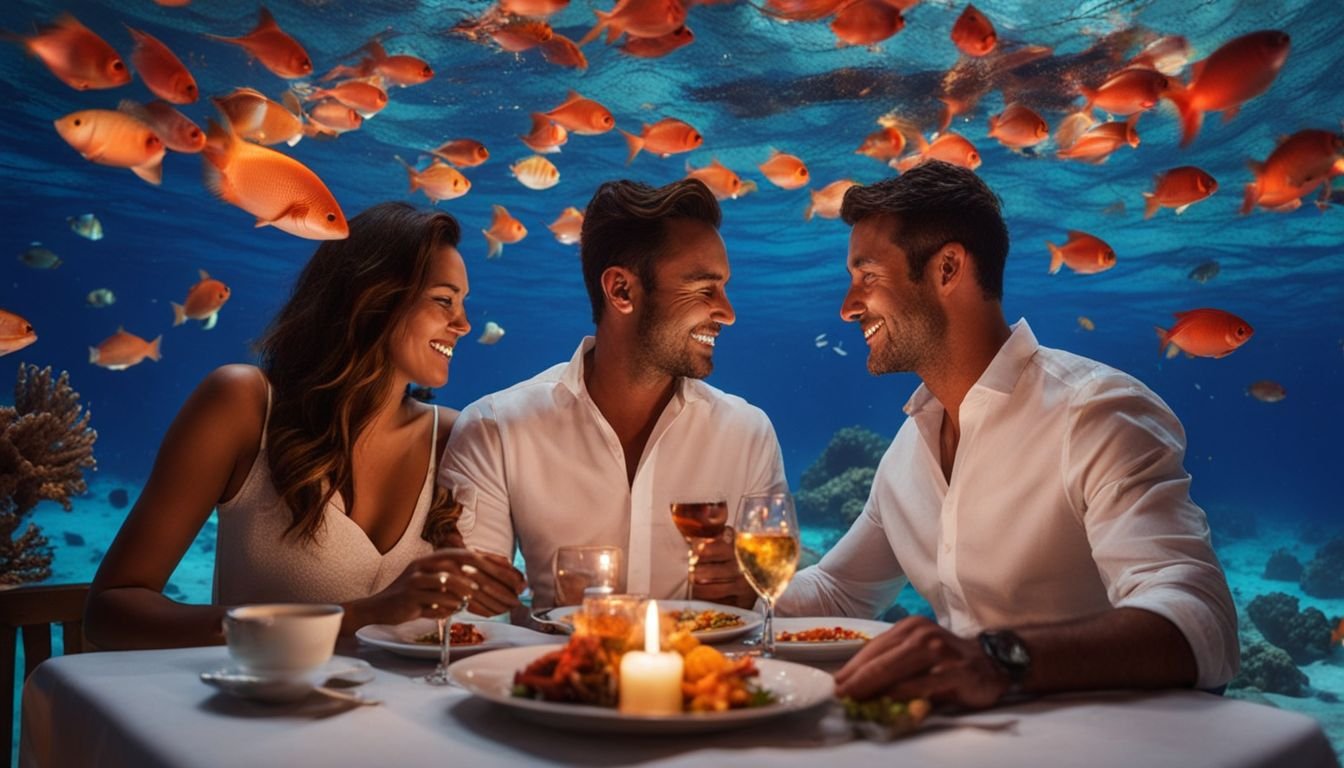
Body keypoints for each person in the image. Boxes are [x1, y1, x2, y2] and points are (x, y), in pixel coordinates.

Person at [775, 161, 1238, 709]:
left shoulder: (1095, 412)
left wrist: (999, 660)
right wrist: (730, 597)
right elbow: (837, 591)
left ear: (948, 268)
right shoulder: (907, 452)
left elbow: (1203, 622)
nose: (848, 307)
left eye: (868, 277)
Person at [86, 202, 525, 649]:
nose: (464, 324)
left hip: (407, 719)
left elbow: (483, 621)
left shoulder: (456, 438)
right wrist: (357, 617)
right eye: (443, 301)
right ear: (373, 297)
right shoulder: (242, 405)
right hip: (259, 713)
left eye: (463, 304)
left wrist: (494, 590)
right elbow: (110, 613)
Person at [439, 179, 786, 612]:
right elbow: (467, 619)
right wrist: (479, 591)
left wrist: (748, 597)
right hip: (555, 677)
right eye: (703, 289)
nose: (727, 313)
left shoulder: (749, 434)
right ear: (621, 290)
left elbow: (766, 609)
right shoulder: (495, 428)